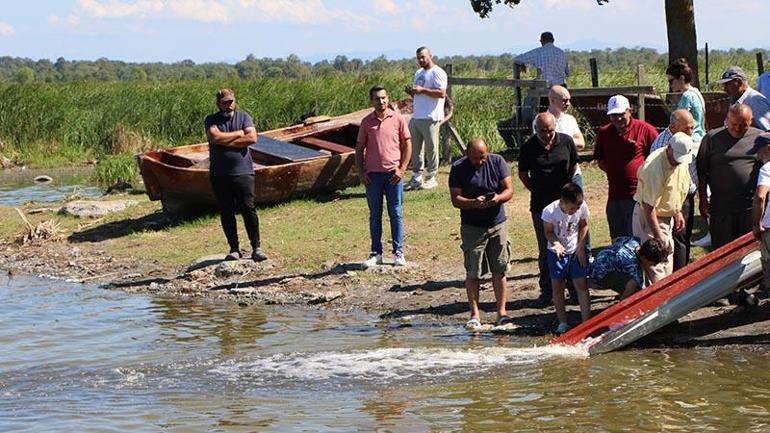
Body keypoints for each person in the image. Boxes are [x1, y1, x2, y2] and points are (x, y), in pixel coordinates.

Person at [449, 138, 514, 328]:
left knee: (499, 269)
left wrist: (497, 199)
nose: (480, 161)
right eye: (476, 158)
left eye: (483, 157)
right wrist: (473, 203)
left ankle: (502, 313)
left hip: (497, 223)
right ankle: (474, 314)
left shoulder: (497, 161)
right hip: (471, 226)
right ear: (467, 153)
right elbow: (455, 199)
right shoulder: (458, 167)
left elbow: (509, 189)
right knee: (473, 272)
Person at [519, 112, 579, 307]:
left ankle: (574, 288)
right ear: (536, 129)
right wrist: (536, 189)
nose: (548, 134)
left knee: (569, 244)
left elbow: (573, 166)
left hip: (565, 204)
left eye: (551, 130)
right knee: (546, 248)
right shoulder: (528, 147)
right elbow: (522, 173)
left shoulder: (566, 142)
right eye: (543, 131)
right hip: (540, 205)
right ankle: (547, 290)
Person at [204, 88, 267, 262]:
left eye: (231, 101)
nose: (229, 105)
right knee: (226, 210)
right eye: (225, 102)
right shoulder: (211, 119)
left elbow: (252, 138)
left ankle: (257, 247)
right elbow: (215, 138)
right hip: (219, 173)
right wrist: (239, 134)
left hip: (243, 171)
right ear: (219, 103)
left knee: (248, 208)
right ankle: (234, 248)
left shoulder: (244, 117)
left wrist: (227, 140)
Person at [355, 86, 412, 268]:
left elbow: (407, 145)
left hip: (393, 176)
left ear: (388, 98)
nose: (381, 102)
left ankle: (398, 252)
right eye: (377, 99)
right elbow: (359, 149)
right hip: (373, 177)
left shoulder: (397, 119)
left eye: (384, 98)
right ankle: (376, 253)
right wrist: (361, 172)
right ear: (371, 101)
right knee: (375, 215)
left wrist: (402, 169)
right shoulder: (366, 122)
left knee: (395, 213)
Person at [697, 103, 763, 249]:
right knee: (723, 251)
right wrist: (702, 199)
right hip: (721, 208)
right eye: (734, 124)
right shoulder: (712, 138)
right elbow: (702, 173)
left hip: (749, 208)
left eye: (743, 125)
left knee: (748, 250)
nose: (738, 128)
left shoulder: (759, 138)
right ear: (727, 119)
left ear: (751, 121)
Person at [594, 94, 659, 239]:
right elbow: (601, 160)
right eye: (613, 115)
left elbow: (658, 157)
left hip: (638, 196)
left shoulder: (646, 129)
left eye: (620, 114)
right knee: (618, 239)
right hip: (615, 196)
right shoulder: (604, 132)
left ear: (630, 110)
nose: (617, 119)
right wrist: (616, 172)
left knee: (637, 238)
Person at [632, 132, 693, 284]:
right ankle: (658, 303)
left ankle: (665, 300)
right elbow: (648, 207)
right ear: (669, 147)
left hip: (666, 216)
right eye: (676, 157)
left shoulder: (680, 160)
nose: (678, 161)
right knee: (655, 265)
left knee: (666, 260)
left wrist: (677, 211)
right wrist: (658, 236)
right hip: (650, 218)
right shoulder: (653, 168)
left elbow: (677, 186)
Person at [648, 110, 697, 271]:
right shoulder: (663, 145)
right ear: (673, 126)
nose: (691, 132)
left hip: (686, 196)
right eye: (687, 128)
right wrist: (677, 210)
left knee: (684, 238)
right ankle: (678, 280)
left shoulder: (685, 138)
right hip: (674, 201)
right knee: (677, 241)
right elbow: (666, 182)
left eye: (692, 127)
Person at [541, 183, 591, 334]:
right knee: (558, 285)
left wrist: (581, 248)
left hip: (575, 249)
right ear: (563, 201)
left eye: (578, 207)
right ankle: (563, 322)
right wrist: (556, 244)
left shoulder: (581, 206)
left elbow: (584, 225)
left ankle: (587, 322)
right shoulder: (549, 211)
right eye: (572, 208)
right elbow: (548, 232)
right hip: (556, 252)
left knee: (581, 283)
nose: (575, 210)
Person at [405, 46, 447, 191]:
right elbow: (418, 94)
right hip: (417, 116)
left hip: (431, 116)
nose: (421, 60)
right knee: (415, 149)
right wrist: (412, 92)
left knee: (432, 148)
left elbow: (441, 93)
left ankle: (432, 176)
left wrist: (422, 90)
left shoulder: (438, 72)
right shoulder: (418, 73)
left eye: (423, 57)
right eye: (418, 58)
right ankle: (416, 177)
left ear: (430, 55)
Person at [591, 237, 666, 300]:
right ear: (644, 258)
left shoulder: (634, 240)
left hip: (599, 259)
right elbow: (641, 289)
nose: (655, 265)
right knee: (633, 288)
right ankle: (622, 307)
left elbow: (615, 239)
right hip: (600, 274)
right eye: (653, 263)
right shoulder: (632, 265)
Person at [716, 66, 770, 131]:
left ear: (739, 82)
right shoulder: (736, 99)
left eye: (727, 85)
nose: (725, 89)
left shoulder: (754, 100)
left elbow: (767, 132)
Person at [750, 132, 770, 295]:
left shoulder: (767, 169)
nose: (757, 156)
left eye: (759, 151)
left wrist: (757, 224)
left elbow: (760, 196)